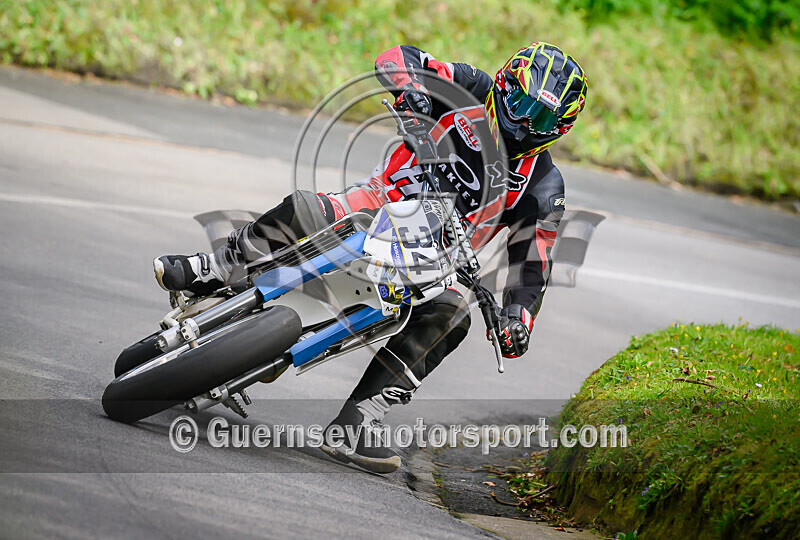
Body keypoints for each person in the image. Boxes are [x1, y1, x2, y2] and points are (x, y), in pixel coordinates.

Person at [154, 42, 588, 473]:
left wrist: (517, 319)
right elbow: (399, 58)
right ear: (504, 83)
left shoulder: (545, 185)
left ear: (560, 127)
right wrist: (411, 87)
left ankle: (357, 422)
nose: (524, 121)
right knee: (306, 207)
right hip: (379, 202)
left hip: (438, 254)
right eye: (519, 101)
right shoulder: (468, 86)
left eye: (543, 117)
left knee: (454, 314)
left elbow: (534, 260)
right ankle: (211, 270)